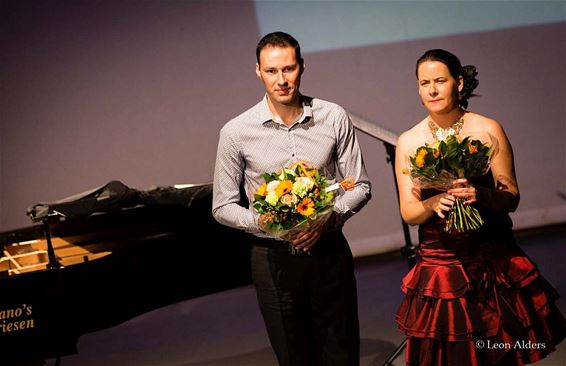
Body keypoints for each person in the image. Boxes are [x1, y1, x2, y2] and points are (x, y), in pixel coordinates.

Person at [394, 48, 566, 365]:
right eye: (424, 82)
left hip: (492, 258)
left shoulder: (487, 129)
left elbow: (511, 197)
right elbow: (409, 211)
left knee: (499, 351)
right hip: (442, 267)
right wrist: (433, 201)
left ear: (459, 83)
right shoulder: (409, 140)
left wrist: (481, 195)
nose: (431, 89)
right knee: (456, 355)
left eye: (440, 80)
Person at [212, 31, 371, 366]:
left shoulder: (332, 116)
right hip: (273, 259)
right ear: (258, 71)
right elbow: (222, 206)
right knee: (294, 355)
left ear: (302, 67)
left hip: (328, 250)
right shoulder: (236, 131)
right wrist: (262, 221)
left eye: (289, 69)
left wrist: (329, 217)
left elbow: (359, 185)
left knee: (342, 350)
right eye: (272, 71)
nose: (281, 80)